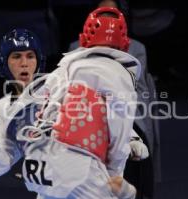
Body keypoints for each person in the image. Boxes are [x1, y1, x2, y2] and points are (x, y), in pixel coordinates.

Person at [0, 25, 145, 199]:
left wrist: (131, 136)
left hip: (85, 171)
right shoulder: (5, 112)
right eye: (16, 56)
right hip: (49, 185)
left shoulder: (59, 81)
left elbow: (103, 108)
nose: (24, 63)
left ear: (39, 60)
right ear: (3, 63)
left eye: (30, 56)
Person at [18, 6, 141, 199]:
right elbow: (119, 131)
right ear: (125, 43)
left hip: (38, 161)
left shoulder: (63, 68)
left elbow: (31, 106)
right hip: (78, 163)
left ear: (84, 37)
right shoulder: (119, 75)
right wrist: (114, 175)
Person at [70, 1, 161, 198]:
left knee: (135, 152)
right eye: (103, 16)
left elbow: (136, 92)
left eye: (114, 15)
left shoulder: (134, 50)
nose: (108, 22)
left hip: (124, 118)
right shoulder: (74, 51)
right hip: (83, 123)